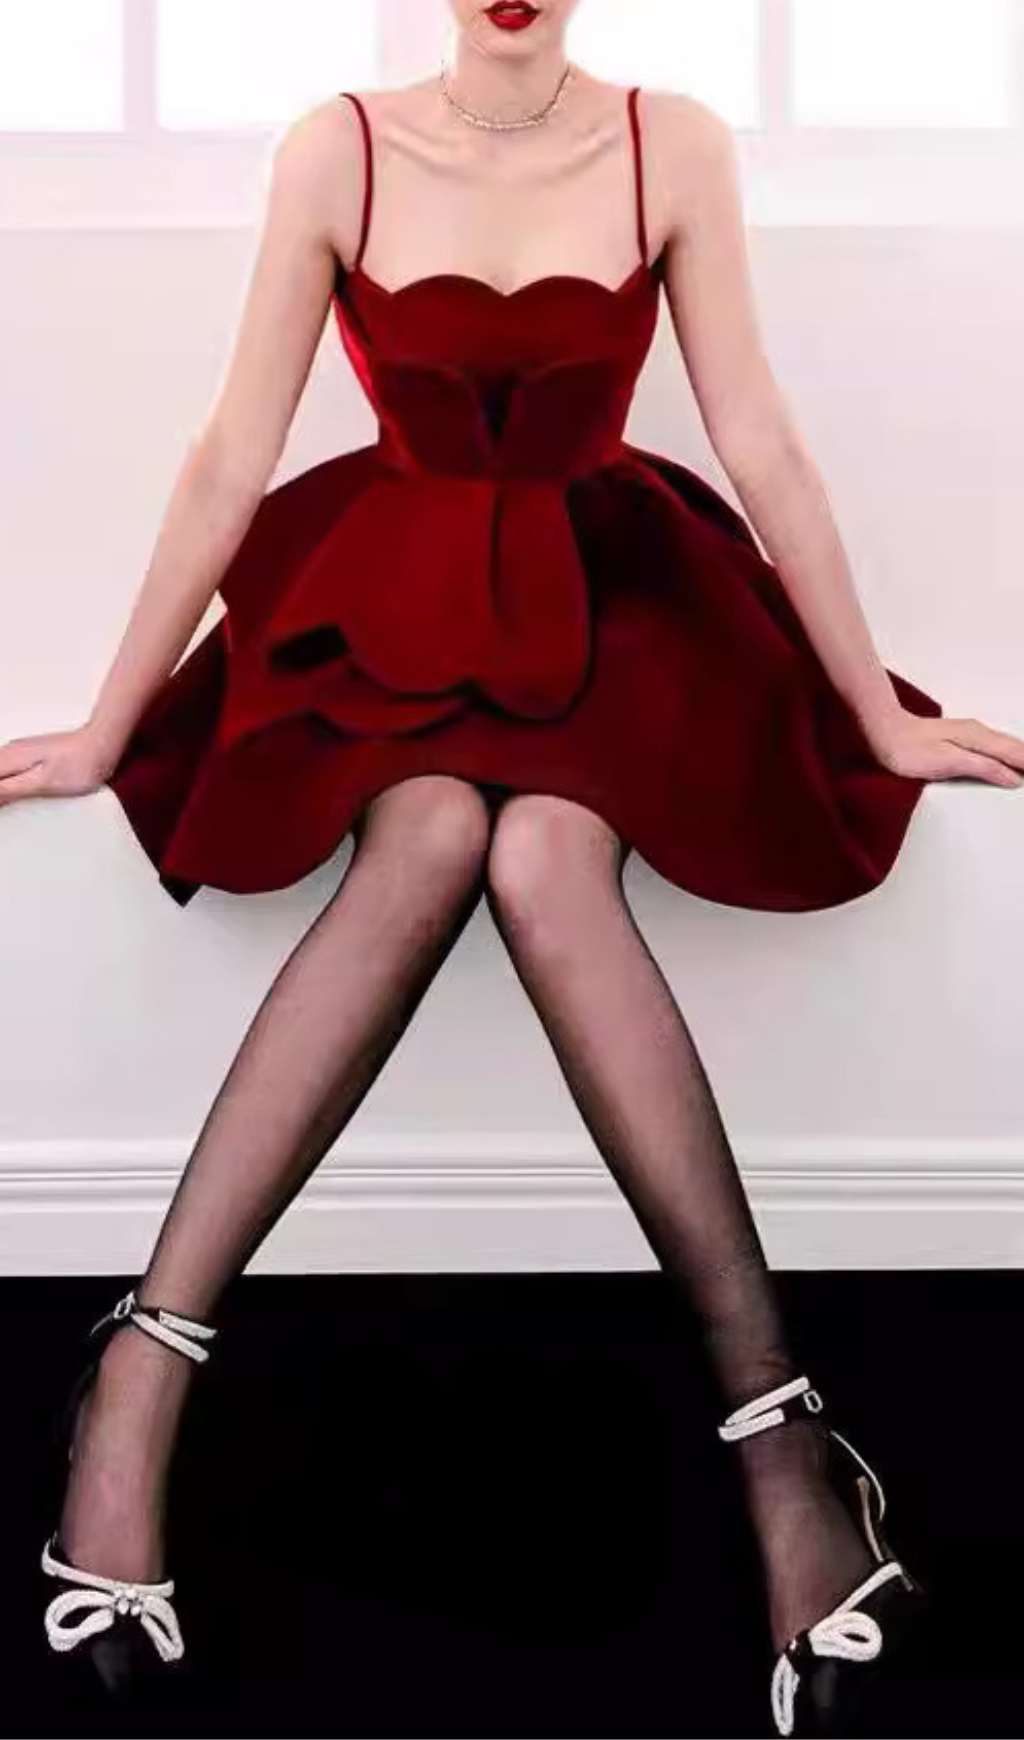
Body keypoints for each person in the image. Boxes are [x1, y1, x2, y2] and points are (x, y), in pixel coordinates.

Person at [4, 2, 1023, 1732]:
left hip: (617, 597)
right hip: (387, 593)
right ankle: (142, 1372)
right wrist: (109, 724)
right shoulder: (335, 145)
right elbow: (233, 452)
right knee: (428, 831)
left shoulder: (668, 139)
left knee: (546, 850)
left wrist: (874, 709)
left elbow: (760, 438)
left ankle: (782, 1442)